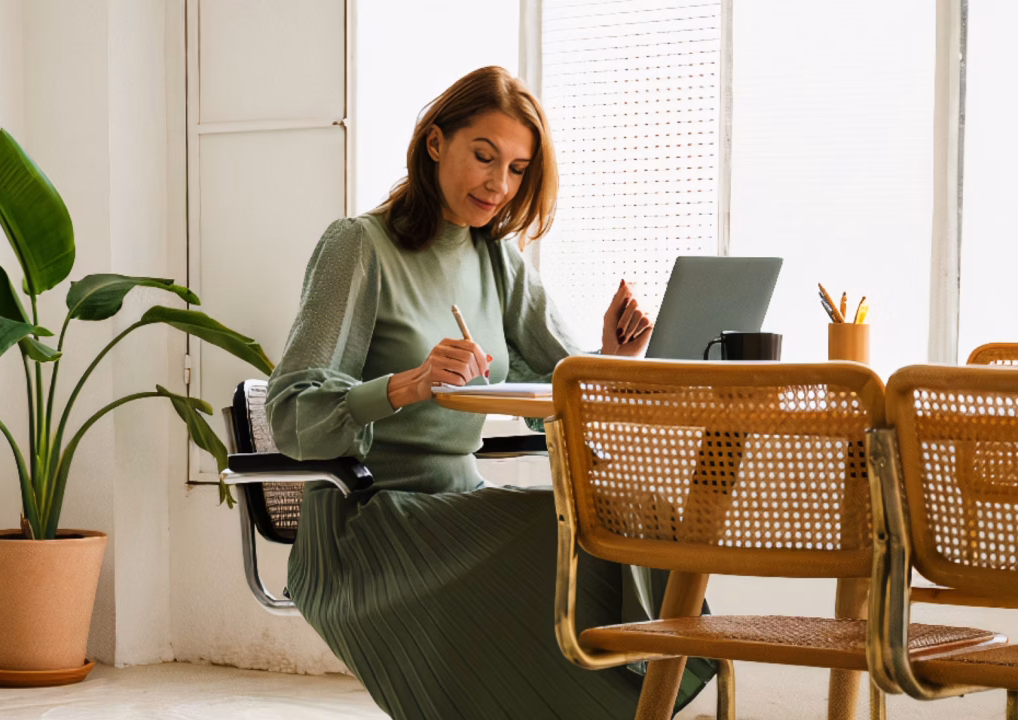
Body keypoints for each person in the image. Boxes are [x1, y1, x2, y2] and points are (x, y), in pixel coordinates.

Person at [266, 66, 715, 720]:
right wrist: (406, 384)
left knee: (627, 520)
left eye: (516, 169)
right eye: (484, 156)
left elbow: (562, 381)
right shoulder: (359, 246)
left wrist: (611, 359)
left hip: (458, 503)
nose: (498, 185)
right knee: (565, 538)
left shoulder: (495, 259)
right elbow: (290, 411)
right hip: (367, 519)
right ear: (434, 144)